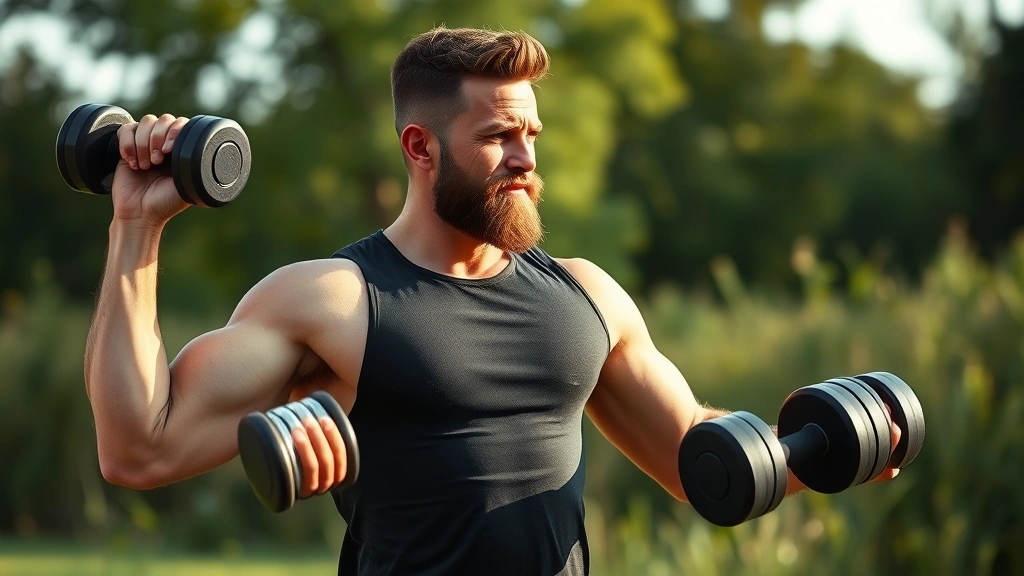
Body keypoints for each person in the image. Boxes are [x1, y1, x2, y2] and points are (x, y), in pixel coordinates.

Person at [84, 26, 900, 575]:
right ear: (420, 147)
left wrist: (823, 454)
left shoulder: (585, 293)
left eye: (531, 136)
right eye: (498, 136)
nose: (524, 157)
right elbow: (140, 449)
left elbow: (697, 458)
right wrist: (136, 226)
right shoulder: (334, 301)